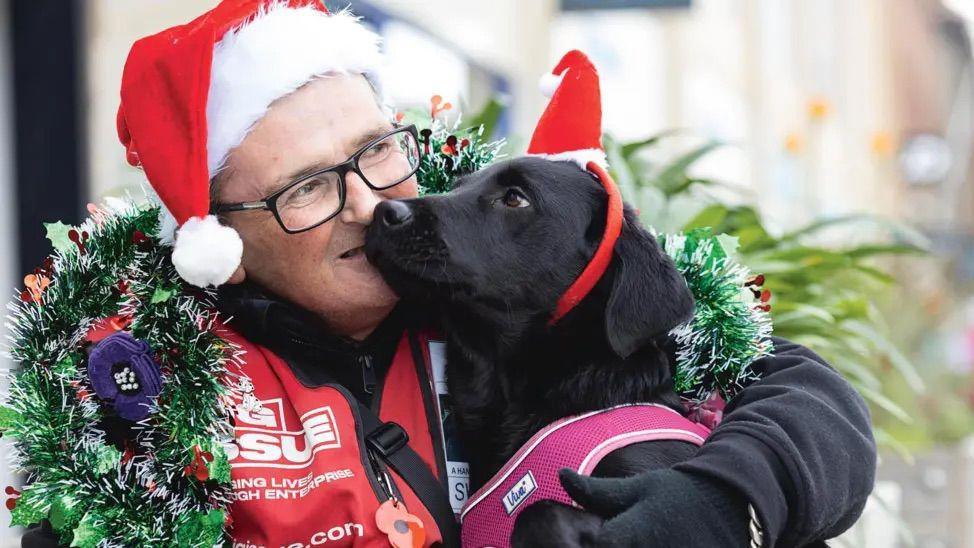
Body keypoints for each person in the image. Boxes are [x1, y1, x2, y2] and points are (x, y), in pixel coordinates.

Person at [23, 1, 876, 546]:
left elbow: (806, 396)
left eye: (376, 152)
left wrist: (725, 503)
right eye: (310, 188)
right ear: (223, 240)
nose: (373, 205)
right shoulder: (141, 398)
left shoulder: (499, 293)